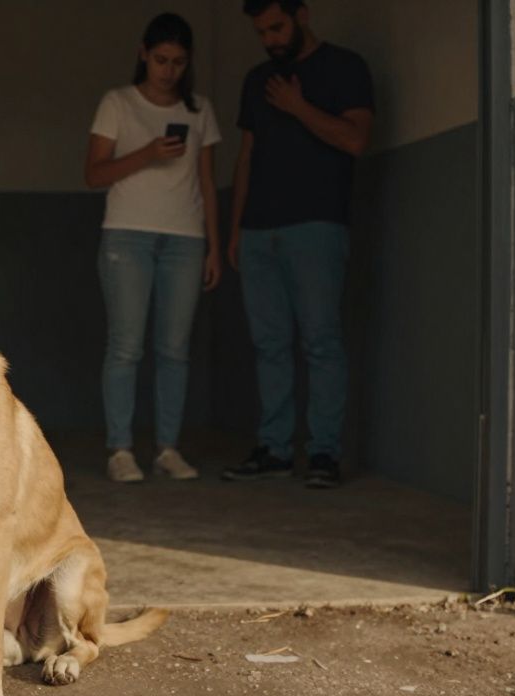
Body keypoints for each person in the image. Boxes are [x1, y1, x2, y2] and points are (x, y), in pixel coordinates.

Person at [222, 0, 374, 489]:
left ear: (302, 15)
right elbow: (246, 156)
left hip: (318, 227)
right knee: (269, 346)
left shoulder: (345, 67)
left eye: (277, 27)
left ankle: (325, 454)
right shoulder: (256, 79)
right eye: (261, 32)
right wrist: (235, 228)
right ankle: (275, 450)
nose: (269, 39)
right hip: (257, 231)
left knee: (321, 341)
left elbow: (355, 140)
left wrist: (298, 106)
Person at [85, 13, 222, 483]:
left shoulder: (199, 108)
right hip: (127, 234)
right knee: (125, 346)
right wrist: (148, 154)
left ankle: (168, 448)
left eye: (178, 62)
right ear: (144, 53)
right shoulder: (117, 103)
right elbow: (94, 174)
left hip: (186, 238)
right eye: (161, 59)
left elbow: (206, 181)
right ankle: (120, 450)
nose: (169, 70)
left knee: (174, 349)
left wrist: (214, 248)